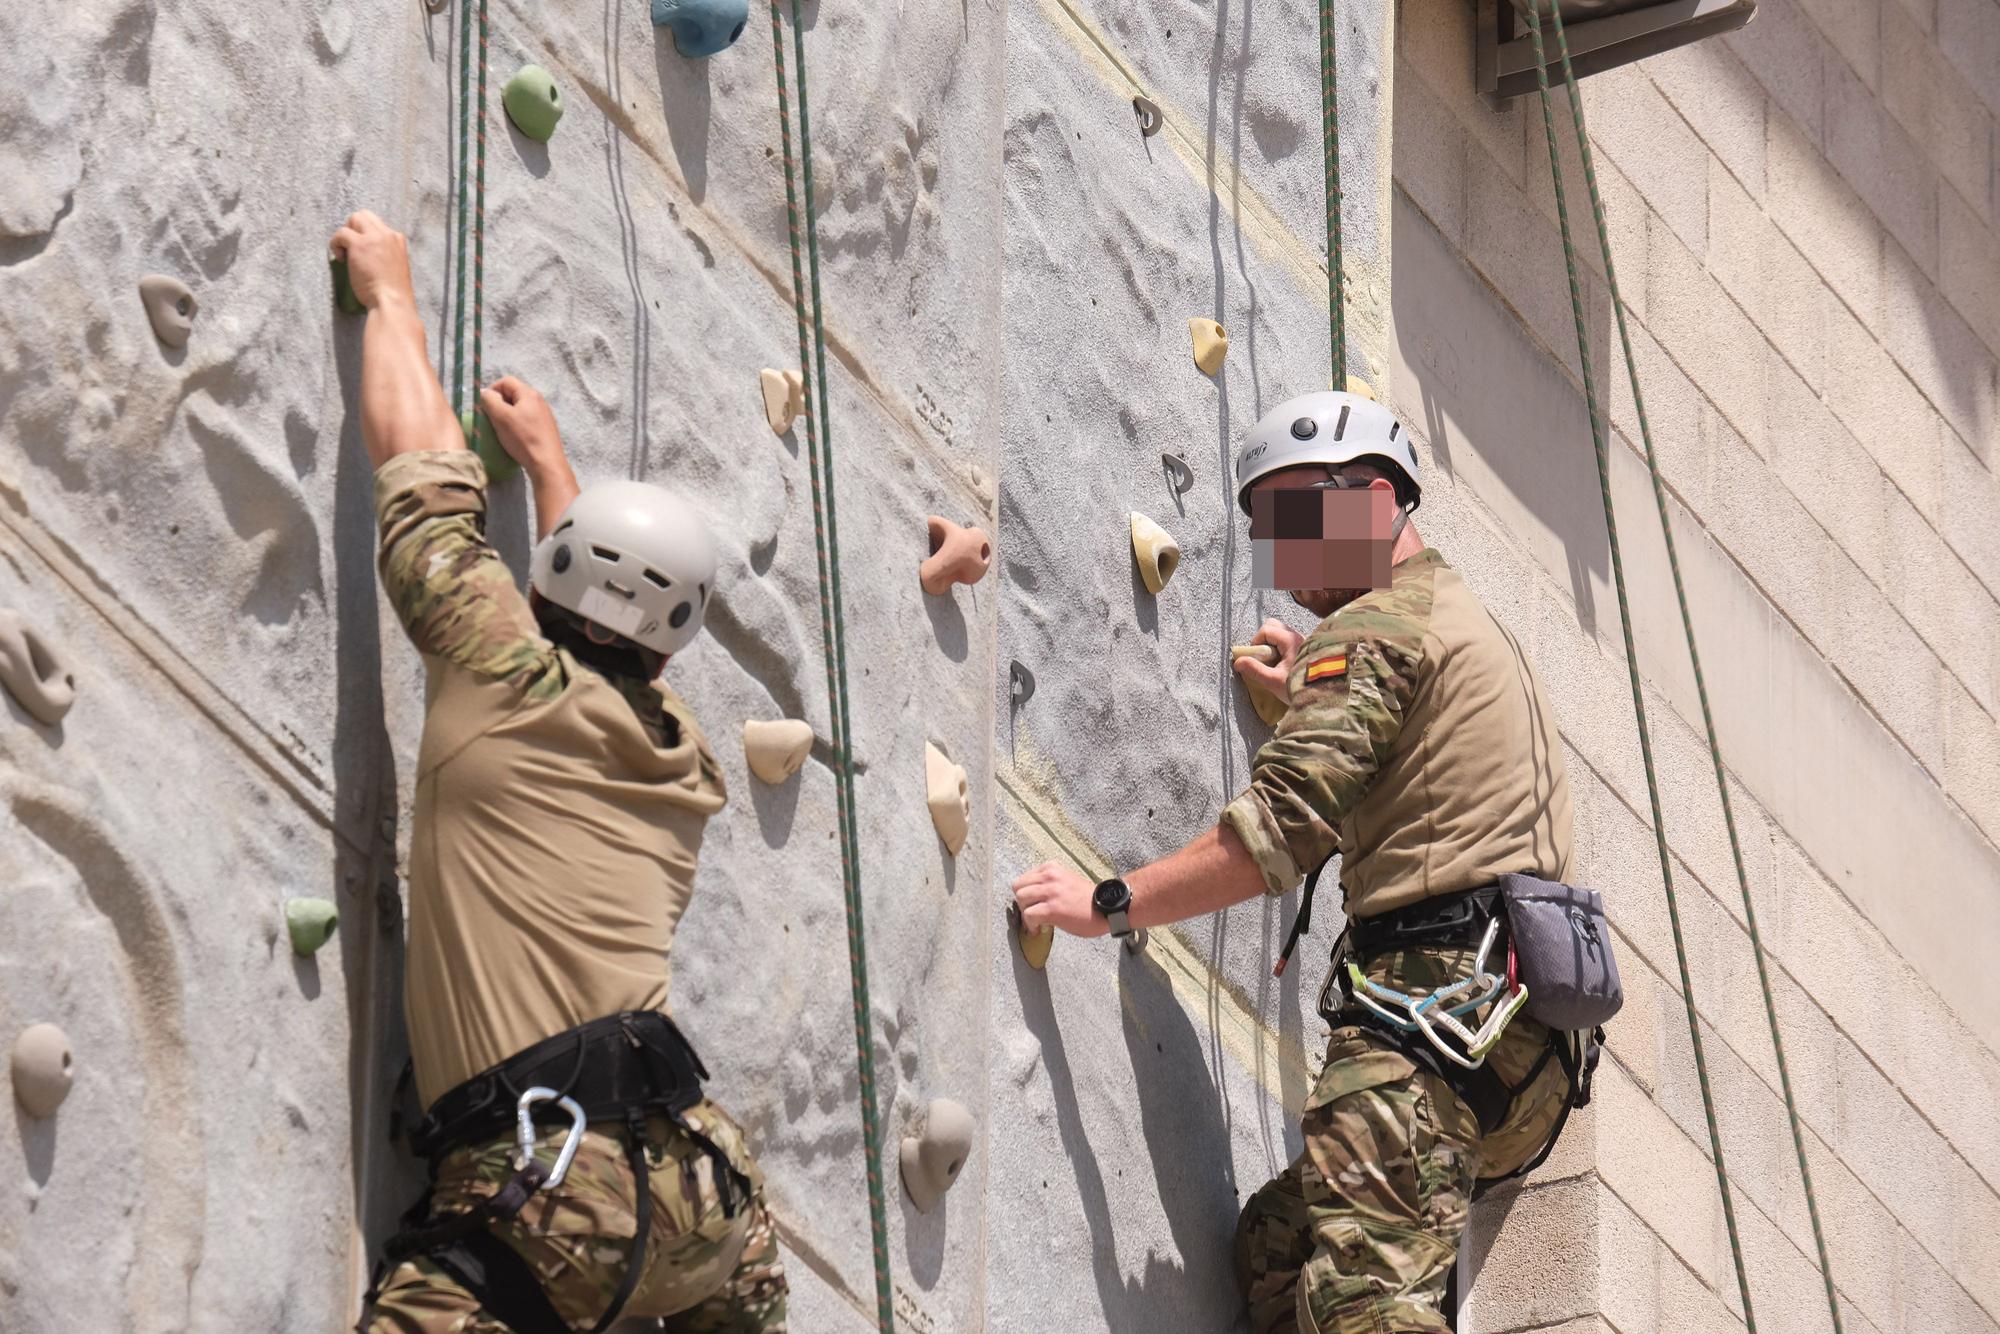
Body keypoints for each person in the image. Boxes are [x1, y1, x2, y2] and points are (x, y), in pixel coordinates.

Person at [1010, 388, 1580, 1333]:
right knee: (1282, 1249)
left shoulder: (1377, 634)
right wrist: (1305, 700)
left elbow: (1268, 842)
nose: (1277, 558)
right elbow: (1429, 791)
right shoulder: (1458, 621)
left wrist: (1107, 902)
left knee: (1364, 1305)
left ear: (1364, 498)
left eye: (1290, 519)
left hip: (1434, 1019)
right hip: (1522, 1057)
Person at [332, 210, 787, 1333]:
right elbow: (602, 613)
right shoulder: (677, 758)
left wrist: (390, 292)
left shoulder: (500, 674)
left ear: (542, 588)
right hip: (708, 1203)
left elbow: (421, 466)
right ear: (668, 643)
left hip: (548, 1189)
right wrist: (548, 463)